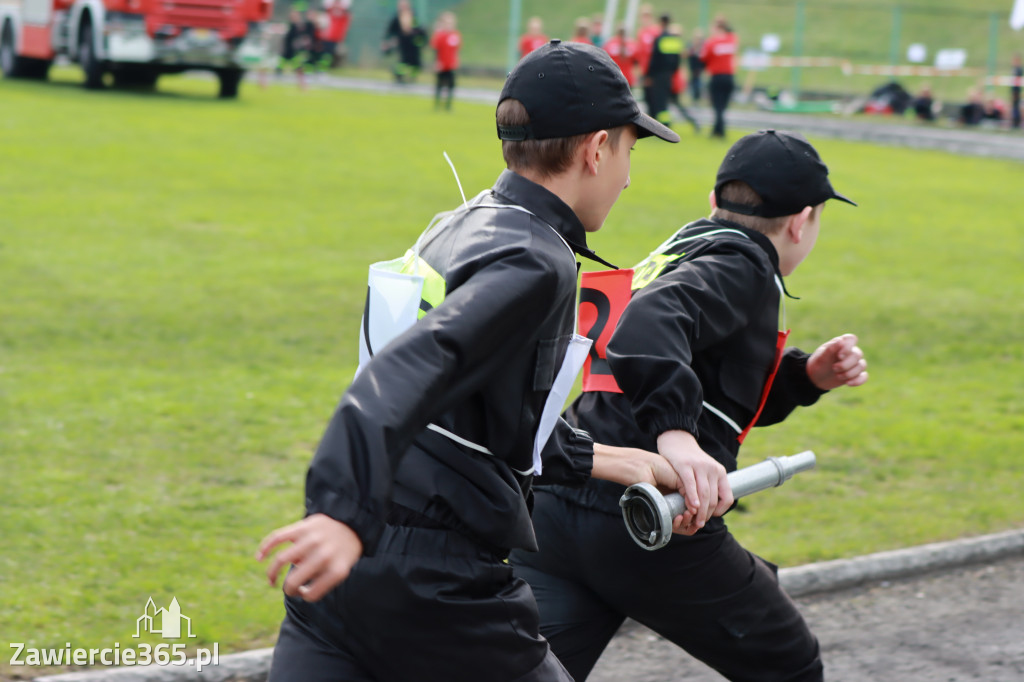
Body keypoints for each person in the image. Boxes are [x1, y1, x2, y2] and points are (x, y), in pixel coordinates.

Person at [257, 40, 684, 682]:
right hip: (435, 579)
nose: (627, 176)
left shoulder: (457, 222)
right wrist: (343, 511)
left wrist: (610, 460)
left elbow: (471, 409)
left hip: (344, 580)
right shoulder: (538, 260)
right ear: (597, 149)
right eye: (628, 151)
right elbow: (407, 369)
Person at [511, 129, 867, 682]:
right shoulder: (744, 265)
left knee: (532, 674)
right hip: (650, 519)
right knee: (789, 663)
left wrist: (804, 378)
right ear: (801, 222)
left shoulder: (689, 244)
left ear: (715, 203)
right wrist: (676, 435)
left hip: (560, 505)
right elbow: (647, 328)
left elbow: (709, 386)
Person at [644, 14, 683, 129]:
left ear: (661, 23)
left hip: (658, 75)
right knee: (665, 101)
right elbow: (677, 59)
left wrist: (649, 74)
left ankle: (660, 125)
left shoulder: (659, 38)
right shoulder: (674, 40)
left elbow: (654, 59)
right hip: (669, 75)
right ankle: (666, 123)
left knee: (658, 100)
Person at [701, 15, 738, 138]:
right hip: (729, 76)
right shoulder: (732, 39)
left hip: (716, 76)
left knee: (717, 105)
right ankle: (718, 130)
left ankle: (719, 131)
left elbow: (704, 58)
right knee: (723, 106)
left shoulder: (712, 42)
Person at [382, 0, 426, 84]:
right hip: (403, 43)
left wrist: (419, 39)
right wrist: (387, 41)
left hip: (413, 44)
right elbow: (390, 31)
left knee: (415, 63)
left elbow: (419, 29)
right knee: (403, 62)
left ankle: (412, 78)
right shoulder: (396, 17)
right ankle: (399, 77)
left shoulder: (413, 15)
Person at [668, 23, 700, 132]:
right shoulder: (680, 46)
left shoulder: (675, 46)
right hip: (674, 79)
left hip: (673, 79)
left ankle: (693, 122)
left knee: (673, 104)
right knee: (676, 105)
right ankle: (693, 122)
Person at [280, 5, 318, 90]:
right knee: (292, 62)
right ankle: (283, 73)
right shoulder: (292, 26)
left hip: (305, 50)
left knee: (303, 64)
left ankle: (304, 81)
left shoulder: (309, 26)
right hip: (292, 50)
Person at [430, 11, 461, 111]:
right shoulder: (440, 35)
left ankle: (448, 105)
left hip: (451, 65)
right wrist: (437, 62)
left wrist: (456, 61)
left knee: (451, 84)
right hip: (442, 64)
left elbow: (456, 50)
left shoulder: (455, 35)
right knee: (439, 84)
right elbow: (436, 49)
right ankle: (437, 104)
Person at [317, 0, 352, 71]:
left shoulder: (344, 13)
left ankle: (322, 69)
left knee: (328, 55)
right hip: (325, 36)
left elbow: (346, 21)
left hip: (333, 37)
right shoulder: (328, 10)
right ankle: (320, 69)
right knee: (323, 54)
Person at [687, 27, 705, 102]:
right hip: (693, 67)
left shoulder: (703, 46)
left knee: (698, 82)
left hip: (699, 68)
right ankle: (694, 96)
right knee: (694, 81)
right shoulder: (691, 46)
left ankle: (697, 96)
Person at [1011, 53, 1022, 129]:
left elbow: (1018, 81)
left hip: (1016, 91)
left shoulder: (1019, 69)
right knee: (1014, 107)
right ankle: (1015, 122)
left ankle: (1017, 123)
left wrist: (1016, 93)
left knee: (1016, 107)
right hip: (1014, 91)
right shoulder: (1014, 69)